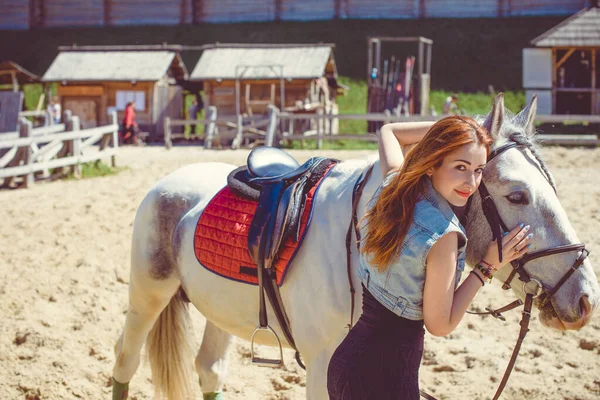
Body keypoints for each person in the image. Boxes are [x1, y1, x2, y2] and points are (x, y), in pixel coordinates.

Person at [327, 116, 534, 399]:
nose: (470, 182)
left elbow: (389, 131)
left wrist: (453, 130)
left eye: (478, 170)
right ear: (432, 162)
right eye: (460, 167)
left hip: (346, 364)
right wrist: (488, 267)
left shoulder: (393, 187)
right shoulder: (444, 236)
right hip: (386, 379)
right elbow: (440, 324)